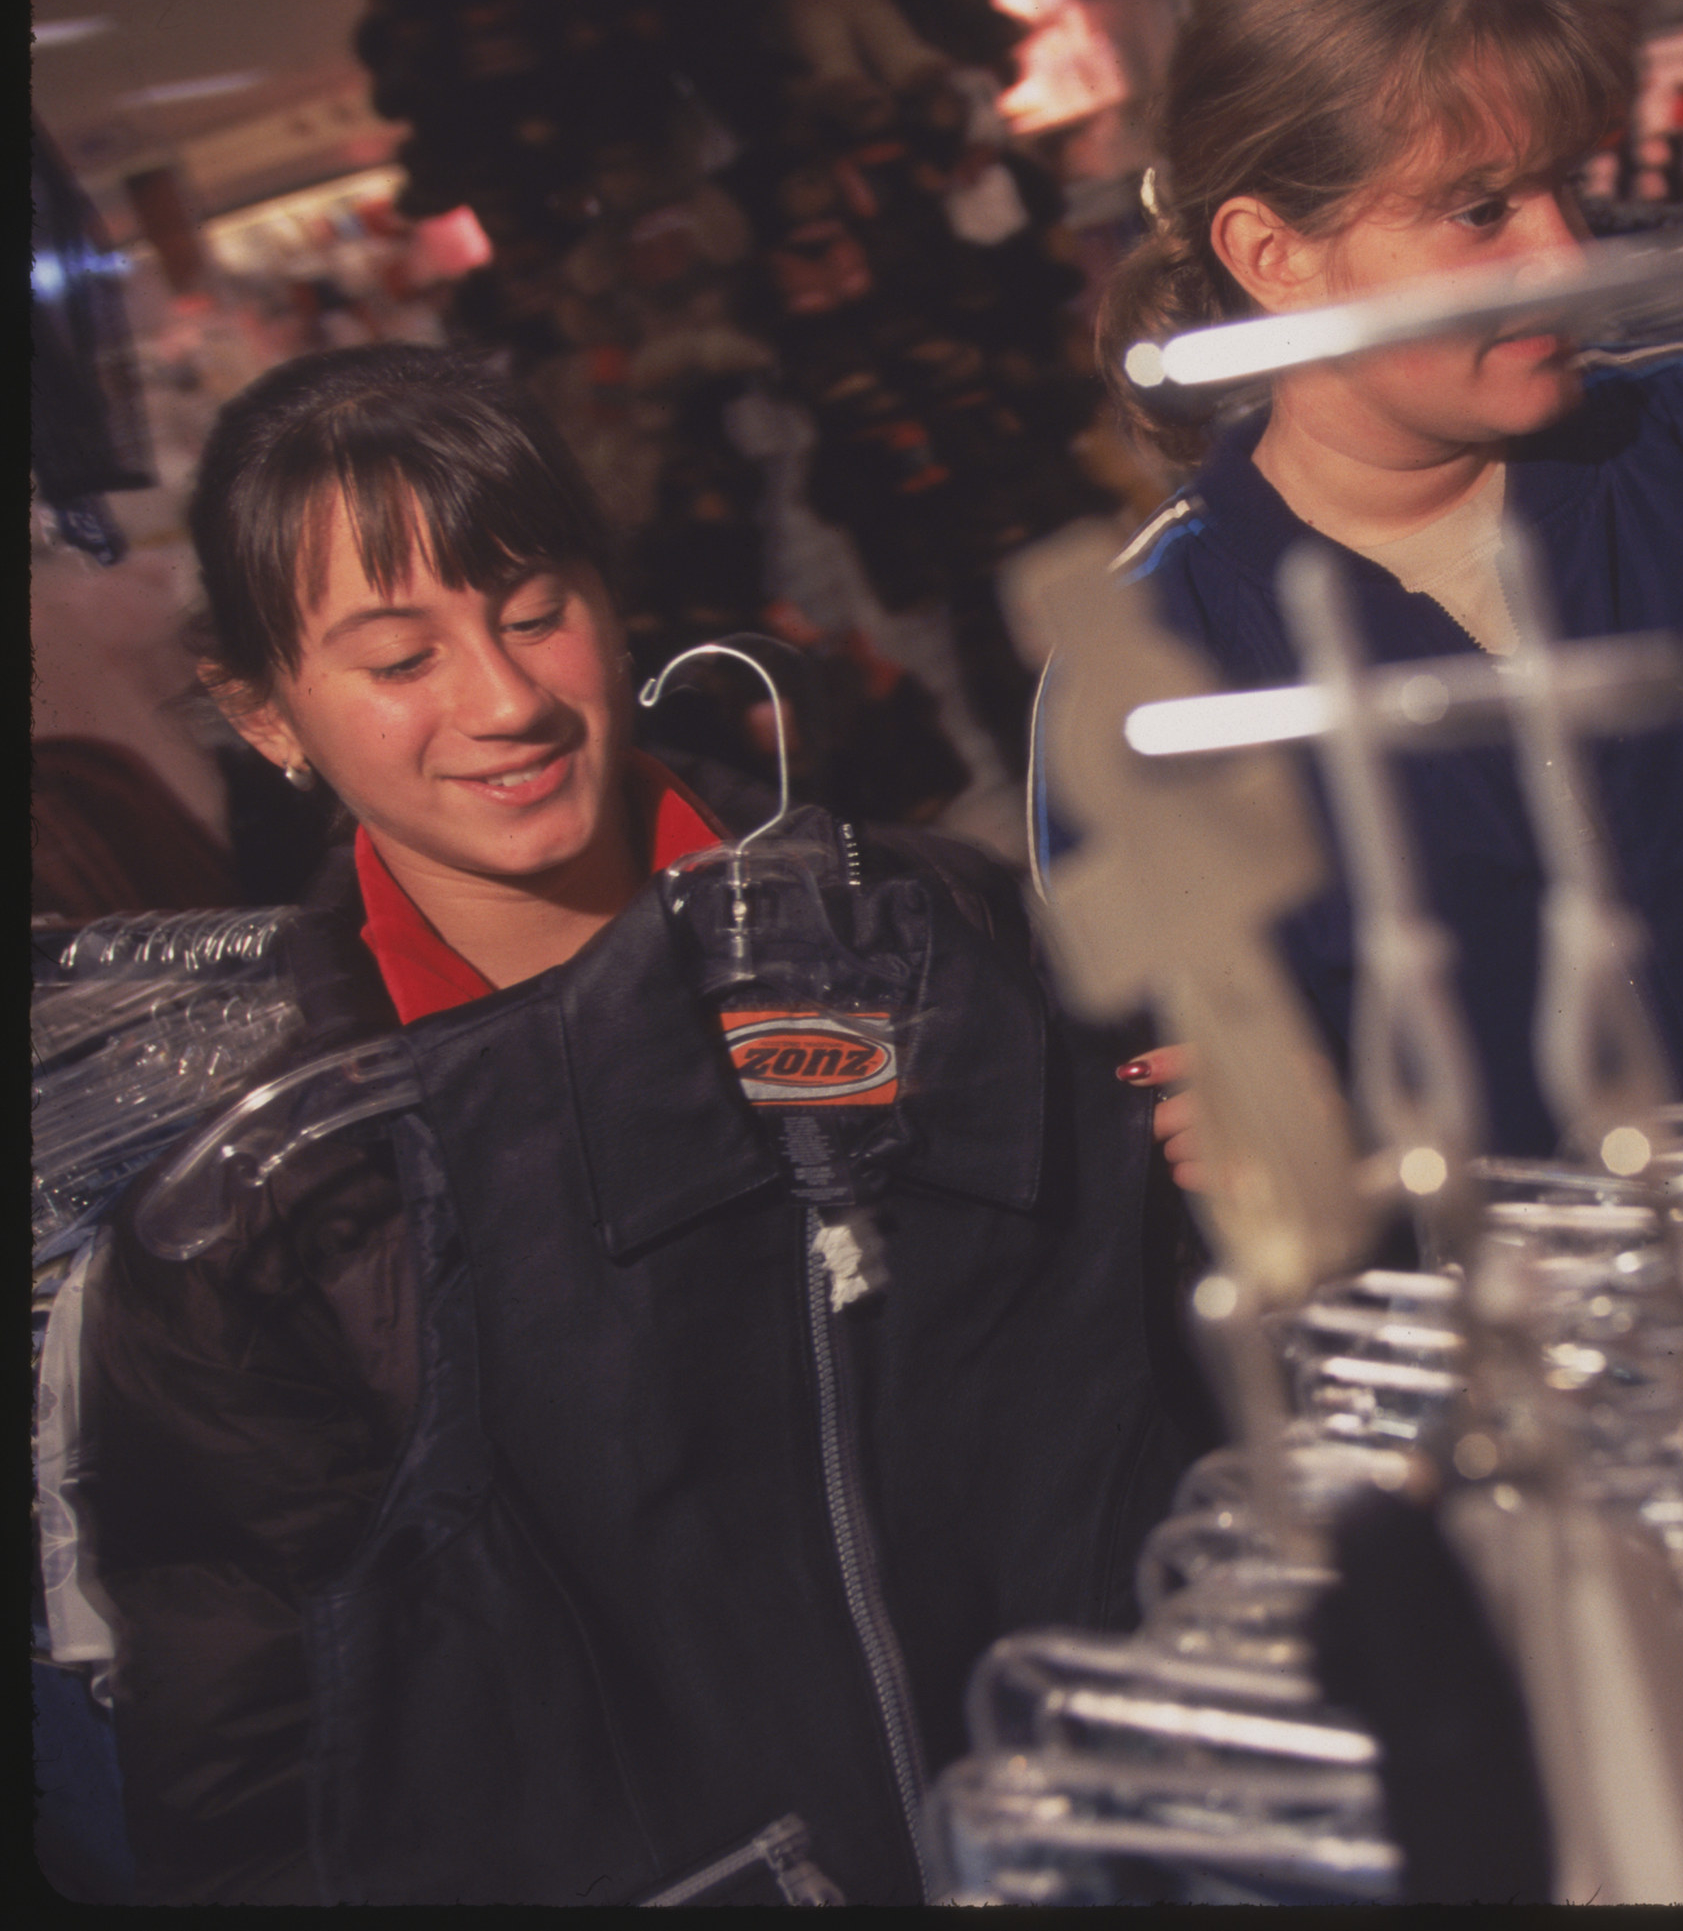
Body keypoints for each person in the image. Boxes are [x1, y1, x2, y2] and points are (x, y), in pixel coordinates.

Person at [67, 342, 1221, 1903]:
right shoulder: (275, 1216)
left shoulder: (941, 938)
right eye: (399, 660)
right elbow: (274, 1801)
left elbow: (1206, 1394)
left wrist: (1236, 1186)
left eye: (537, 609)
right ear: (262, 709)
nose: (507, 700)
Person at [1039, 0, 1683, 1168]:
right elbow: (1143, 1102)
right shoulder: (1151, 666)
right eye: (1480, 209)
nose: (1564, 254)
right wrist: (1263, 1140)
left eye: (1560, 188)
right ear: (1273, 254)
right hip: (1513, 1340)